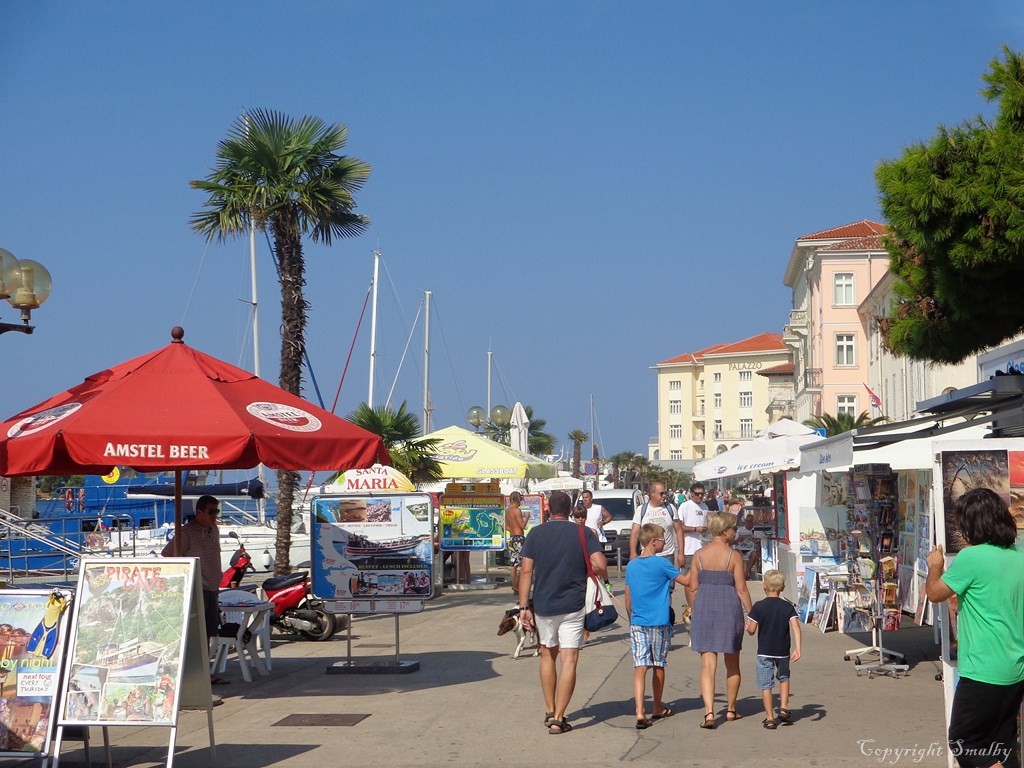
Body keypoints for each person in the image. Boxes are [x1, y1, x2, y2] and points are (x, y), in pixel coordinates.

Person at [927, 488, 1024, 768]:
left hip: (983, 668)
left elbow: (934, 593)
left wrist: (935, 566)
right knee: (1002, 742)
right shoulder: (1018, 555)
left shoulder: (972, 558)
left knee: (964, 740)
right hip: (1014, 665)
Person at [519, 490, 607, 735]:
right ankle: (559, 717)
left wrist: (524, 606)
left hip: (544, 605)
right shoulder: (583, 532)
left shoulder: (535, 533)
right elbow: (600, 564)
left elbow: (526, 572)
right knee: (570, 659)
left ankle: (549, 708)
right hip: (574, 604)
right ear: (570, 511)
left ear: (548, 510)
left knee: (548, 654)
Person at [687, 511, 752, 729]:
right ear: (725, 531)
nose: (735, 532)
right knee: (732, 663)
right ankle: (731, 709)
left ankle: (709, 712)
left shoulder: (698, 555)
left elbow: (693, 587)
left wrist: (694, 609)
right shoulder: (733, 556)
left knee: (707, 664)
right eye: (733, 528)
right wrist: (752, 614)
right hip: (729, 608)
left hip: (704, 606)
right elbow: (741, 589)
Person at [625, 523, 688, 729]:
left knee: (640, 666)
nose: (664, 542)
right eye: (663, 539)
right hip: (659, 620)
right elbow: (686, 581)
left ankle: (639, 709)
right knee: (658, 664)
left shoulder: (632, 565)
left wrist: (631, 616)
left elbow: (628, 596)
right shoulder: (662, 564)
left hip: (638, 621)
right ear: (654, 542)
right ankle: (657, 706)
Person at [162, 494, 229, 685]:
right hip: (196, 588)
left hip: (212, 587)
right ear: (199, 512)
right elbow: (167, 554)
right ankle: (193, 674)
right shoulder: (187, 532)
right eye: (210, 512)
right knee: (196, 633)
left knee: (208, 633)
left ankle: (204, 672)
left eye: (216, 511)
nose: (214, 516)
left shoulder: (213, 529)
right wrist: (185, 574)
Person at [745, 569, 801, 729]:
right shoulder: (787, 607)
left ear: (764, 587)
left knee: (766, 684)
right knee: (784, 677)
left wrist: (747, 627)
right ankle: (783, 708)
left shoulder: (759, 607)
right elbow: (795, 626)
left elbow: (752, 630)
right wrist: (798, 648)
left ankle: (770, 718)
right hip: (783, 650)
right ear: (782, 588)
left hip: (764, 651)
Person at [628, 482, 684, 568]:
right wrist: (633, 553)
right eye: (661, 493)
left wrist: (681, 553)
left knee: (668, 581)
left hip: (667, 555)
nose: (664, 496)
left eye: (665, 493)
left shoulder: (670, 508)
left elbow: (679, 531)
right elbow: (634, 533)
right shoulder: (641, 510)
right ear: (652, 494)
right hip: (648, 555)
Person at [679, 482, 710, 574]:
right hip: (689, 550)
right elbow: (679, 527)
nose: (699, 496)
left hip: (703, 549)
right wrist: (695, 529)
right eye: (697, 494)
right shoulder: (684, 506)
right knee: (688, 578)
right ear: (691, 493)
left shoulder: (705, 506)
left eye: (702, 494)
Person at [505, 491, 529, 593]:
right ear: (517, 500)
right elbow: (522, 525)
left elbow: (506, 527)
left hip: (512, 538)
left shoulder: (507, 511)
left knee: (513, 564)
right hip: (519, 538)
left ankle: (514, 586)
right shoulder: (517, 510)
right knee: (523, 563)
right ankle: (516, 585)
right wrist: (526, 517)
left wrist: (513, 529)